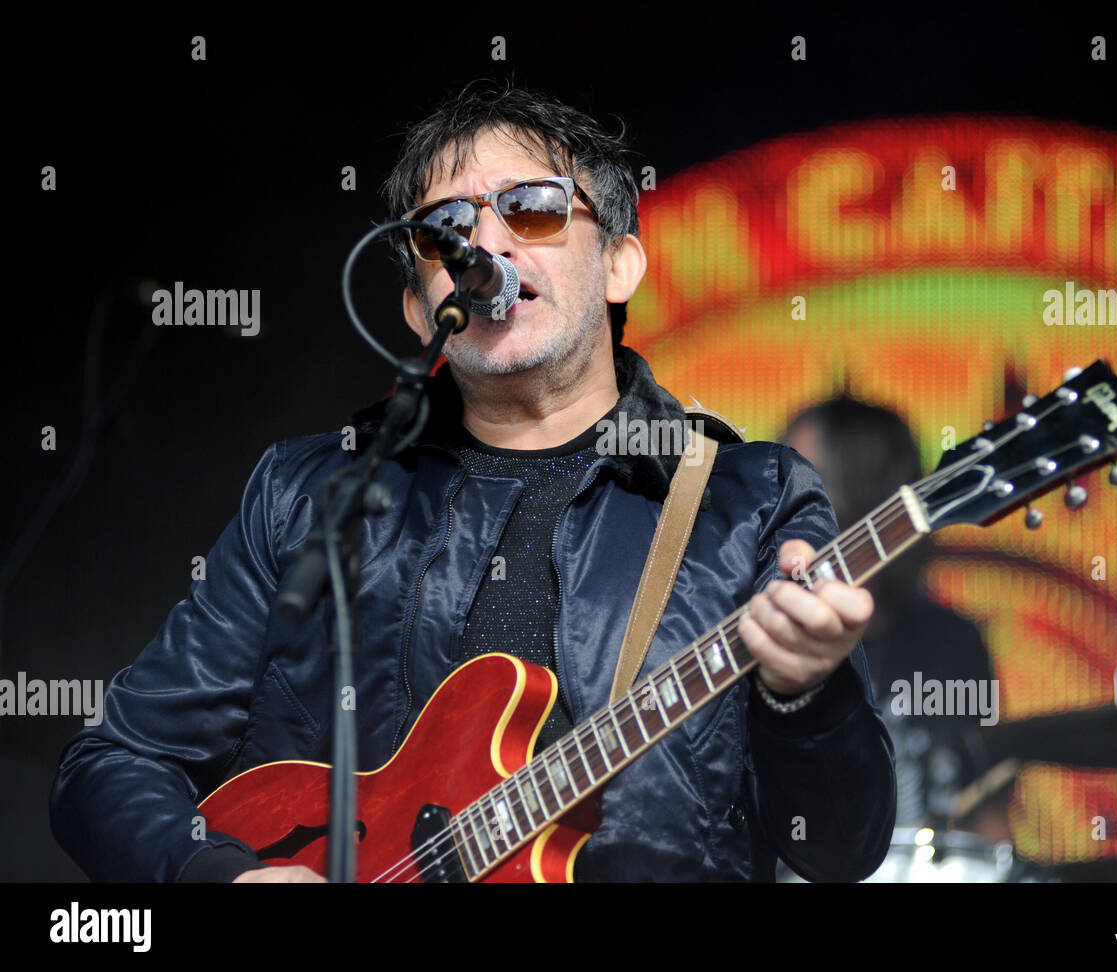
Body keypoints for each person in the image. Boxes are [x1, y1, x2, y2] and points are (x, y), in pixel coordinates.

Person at [50, 81, 896, 883]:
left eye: (532, 207)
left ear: (619, 266)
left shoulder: (747, 499)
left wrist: (805, 694)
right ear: (421, 306)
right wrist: (217, 875)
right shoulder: (308, 491)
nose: (486, 246)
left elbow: (841, 849)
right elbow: (110, 764)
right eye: (445, 229)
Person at [782, 396, 994, 832]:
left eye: (804, 485)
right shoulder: (758, 637)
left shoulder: (953, 643)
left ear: (862, 499)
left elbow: (985, 813)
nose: (780, 506)